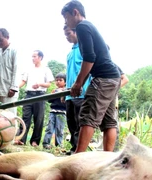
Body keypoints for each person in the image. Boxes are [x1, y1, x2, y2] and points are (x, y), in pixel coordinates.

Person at [61, 1, 121, 152]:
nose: (66, 22)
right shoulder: (89, 26)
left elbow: (89, 58)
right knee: (108, 122)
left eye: (66, 18)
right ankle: (107, 158)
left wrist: (78, 83)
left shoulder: (82, 27)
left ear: (75, 12)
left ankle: (78, 157)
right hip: (113, 78)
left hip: (104, 78)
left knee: (88, 116)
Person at [63, 25, 92, 155]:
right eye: (65, 35)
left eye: (69, 33)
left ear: (76, 32)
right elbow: (68, 74)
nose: (67, 37)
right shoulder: (69, 53)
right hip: (69, 93)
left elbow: (88, 68)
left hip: (82, 92)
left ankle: (80, 151)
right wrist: (64, 91)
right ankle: (74, 148)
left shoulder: (84, 49)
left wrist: (82, 85)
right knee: (71, 122)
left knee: (81, 122)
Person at [18, 50, 54, 147]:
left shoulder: (46, 69)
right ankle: (21, 139)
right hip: (28, 95)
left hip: (40, 95)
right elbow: (23, 81)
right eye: (32, 56)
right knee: (25, 117)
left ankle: (35, 141)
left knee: (38, 119)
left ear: (40, 57)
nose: (33, 58)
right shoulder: (28, 69)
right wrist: (15, 87)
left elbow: (49, 84)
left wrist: (40, 84)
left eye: (35, 56)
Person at [42, 72, 67, 149]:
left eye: (60, 80)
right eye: (57, 80)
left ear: (65, 82)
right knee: (49, 127)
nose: (58, 82)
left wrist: (62, 93)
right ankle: (46, 143)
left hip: (62, 112)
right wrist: (52, 95)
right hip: (53, 111)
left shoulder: (66, 91)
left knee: (59, 129)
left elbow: (66, 102)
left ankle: (58, 145)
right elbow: (49, 100)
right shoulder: (54, 91)